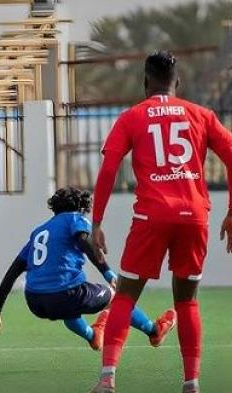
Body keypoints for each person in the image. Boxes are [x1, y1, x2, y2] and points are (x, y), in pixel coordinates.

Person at [90, 51, 232, 393]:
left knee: (124, 296)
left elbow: (109, 169)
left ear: (145, 82)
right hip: (195, 217)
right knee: (187, 300)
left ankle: (108, 379)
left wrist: (96, 222)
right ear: (177, 83)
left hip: (152, 216)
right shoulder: (202, 115)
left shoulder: (132, 117)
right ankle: (192, 383)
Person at [0, 187, 173, 352]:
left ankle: (92, 335)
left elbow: (13, 271)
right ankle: (154, 331)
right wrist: (107, 272)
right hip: (66, 294)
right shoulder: (74, 218)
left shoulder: (39, 232)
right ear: (81, 208)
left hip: (36, 302)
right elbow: (84, 240)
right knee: (116, 297)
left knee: (68, 309)